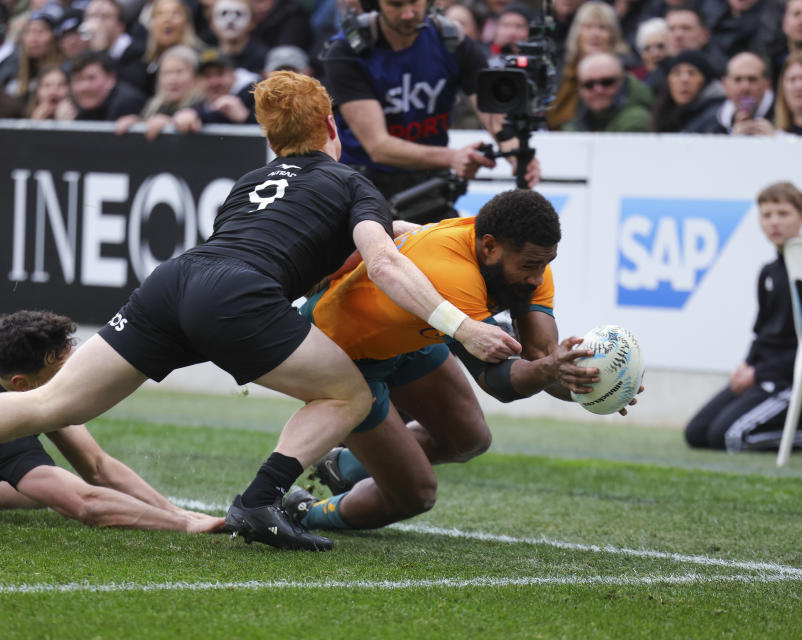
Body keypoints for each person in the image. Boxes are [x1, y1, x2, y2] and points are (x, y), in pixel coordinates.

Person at [0, 71, 520, 551]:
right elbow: (382, 261)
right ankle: (260, 501)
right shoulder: (352, 183)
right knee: (349, 395)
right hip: (236, 295)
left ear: (271, 140)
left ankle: (261, 502)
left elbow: (358, 237)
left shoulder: (252, 182)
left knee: (52, 405)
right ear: (330, 125)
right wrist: (464, 326)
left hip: (173, 280)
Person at [283, 189, 643, 531]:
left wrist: (589, 385)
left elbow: (542, 358)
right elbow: (500, 380)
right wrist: (552, 370)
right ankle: (304, 512)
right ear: (489, 247)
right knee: (415, 496)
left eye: (546, 264)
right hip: (341, 353)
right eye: (531, 266)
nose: (538, 278)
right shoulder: (451, 273)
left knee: (468, 439)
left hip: (406, 335)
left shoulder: (531, 263)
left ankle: (342, 465)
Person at [0, 310, 224, 533]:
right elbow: (87, 505)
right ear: (21, 384)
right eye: (62, 373)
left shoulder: (34, 394)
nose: (76, 379)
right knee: (43, 490)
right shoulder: (7, 424)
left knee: (37, 493)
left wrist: (175, 511)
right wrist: (186, 525)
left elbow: (97, 467)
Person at [321, 0, 538, 221]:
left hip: (429, 185)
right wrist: (453, 157)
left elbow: (492, 112)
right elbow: (378, 146)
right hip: (364, 187)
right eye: (395, 5)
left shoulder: (452, 40)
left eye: (415, 2)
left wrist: (516, 154)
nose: (407, 14)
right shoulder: (347, 49)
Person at [685, 182, 802, 451]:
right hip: (762, 376)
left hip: (794, 382)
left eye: (783, 213)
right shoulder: (768, 272)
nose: (774, 222)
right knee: (697, 433)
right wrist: (747, 365)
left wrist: (758, 372)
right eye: (767, 215)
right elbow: (763, 333)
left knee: (728, 438)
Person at [547, 1, 637, 130]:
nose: (595, 34)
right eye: (588, 27)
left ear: (613, 34)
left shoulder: (626, 69)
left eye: (602, 27)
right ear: (577, 33)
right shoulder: (563, 67)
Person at [118, 44, 204, 138]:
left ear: (195, 76)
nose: (172, 79)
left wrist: (169, 125)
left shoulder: (204, 106)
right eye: (166, 73)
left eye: (179, 72)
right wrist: (136, 124)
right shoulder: (154, 106)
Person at [562, 51, 653, 132]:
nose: (598, 90)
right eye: (589, 84)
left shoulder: (636, 121)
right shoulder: (578, 121)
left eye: (607, 82)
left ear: (622, 82)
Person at [172, 48, 258, 131]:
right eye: (207, 76)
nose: (214, 82)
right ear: (197, 81)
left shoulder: (253, 96)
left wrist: (247, 117)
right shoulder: (195, 104)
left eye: (220, 73)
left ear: (233, 75)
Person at [651, 48, 726, 133]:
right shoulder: (661, 111)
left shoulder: (716, 115)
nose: (684, 80)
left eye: (692, 73)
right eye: (677, 73)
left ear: (705, 81)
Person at [82, 0, 148, 92]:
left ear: (120, 26)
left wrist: (100, 52)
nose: (97, 22)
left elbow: (125, 90)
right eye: (92, 16)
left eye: (105, 16)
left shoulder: (137, 53)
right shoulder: (84, 51)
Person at [68, 51, 147, 123]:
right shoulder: (75, 107)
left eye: (91, 78)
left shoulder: (128, 103)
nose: (84, 87)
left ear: (111, 79)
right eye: (77, 80)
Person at [713, 50, 775, 135]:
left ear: (767, 84)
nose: (745, 87)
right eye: (737, 80)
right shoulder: (710, 120)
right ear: (725, 85)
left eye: (752, 79)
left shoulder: (785, 116)